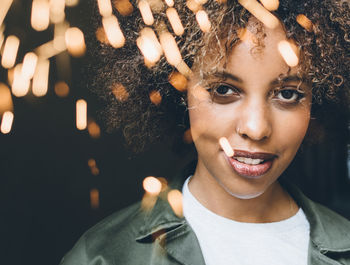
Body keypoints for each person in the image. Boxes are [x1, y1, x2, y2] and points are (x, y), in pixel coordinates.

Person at [60, 0, 350, 264]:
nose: (256, 128)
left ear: (317, 99)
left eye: (287, 94)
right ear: (177, 89)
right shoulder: (102, 257)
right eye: (223, 90)